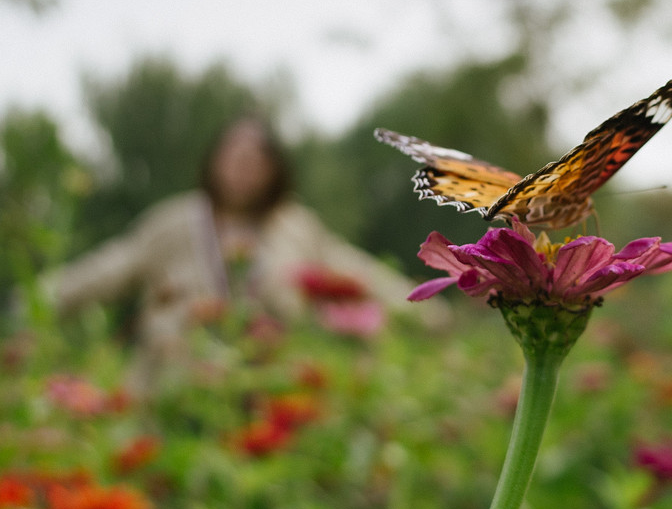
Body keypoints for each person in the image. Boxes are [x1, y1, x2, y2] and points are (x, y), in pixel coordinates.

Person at [48, 115, 443, 393]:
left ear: (275, 172)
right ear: (214, 161)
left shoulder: (294, 225)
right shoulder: (172, 222)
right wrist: (40, 298)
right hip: (173, 390)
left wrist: (423, 308)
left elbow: (354, 270)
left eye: (256, 160)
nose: (243, 168)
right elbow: (110, 266)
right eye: (234, 156)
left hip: (268, 390)